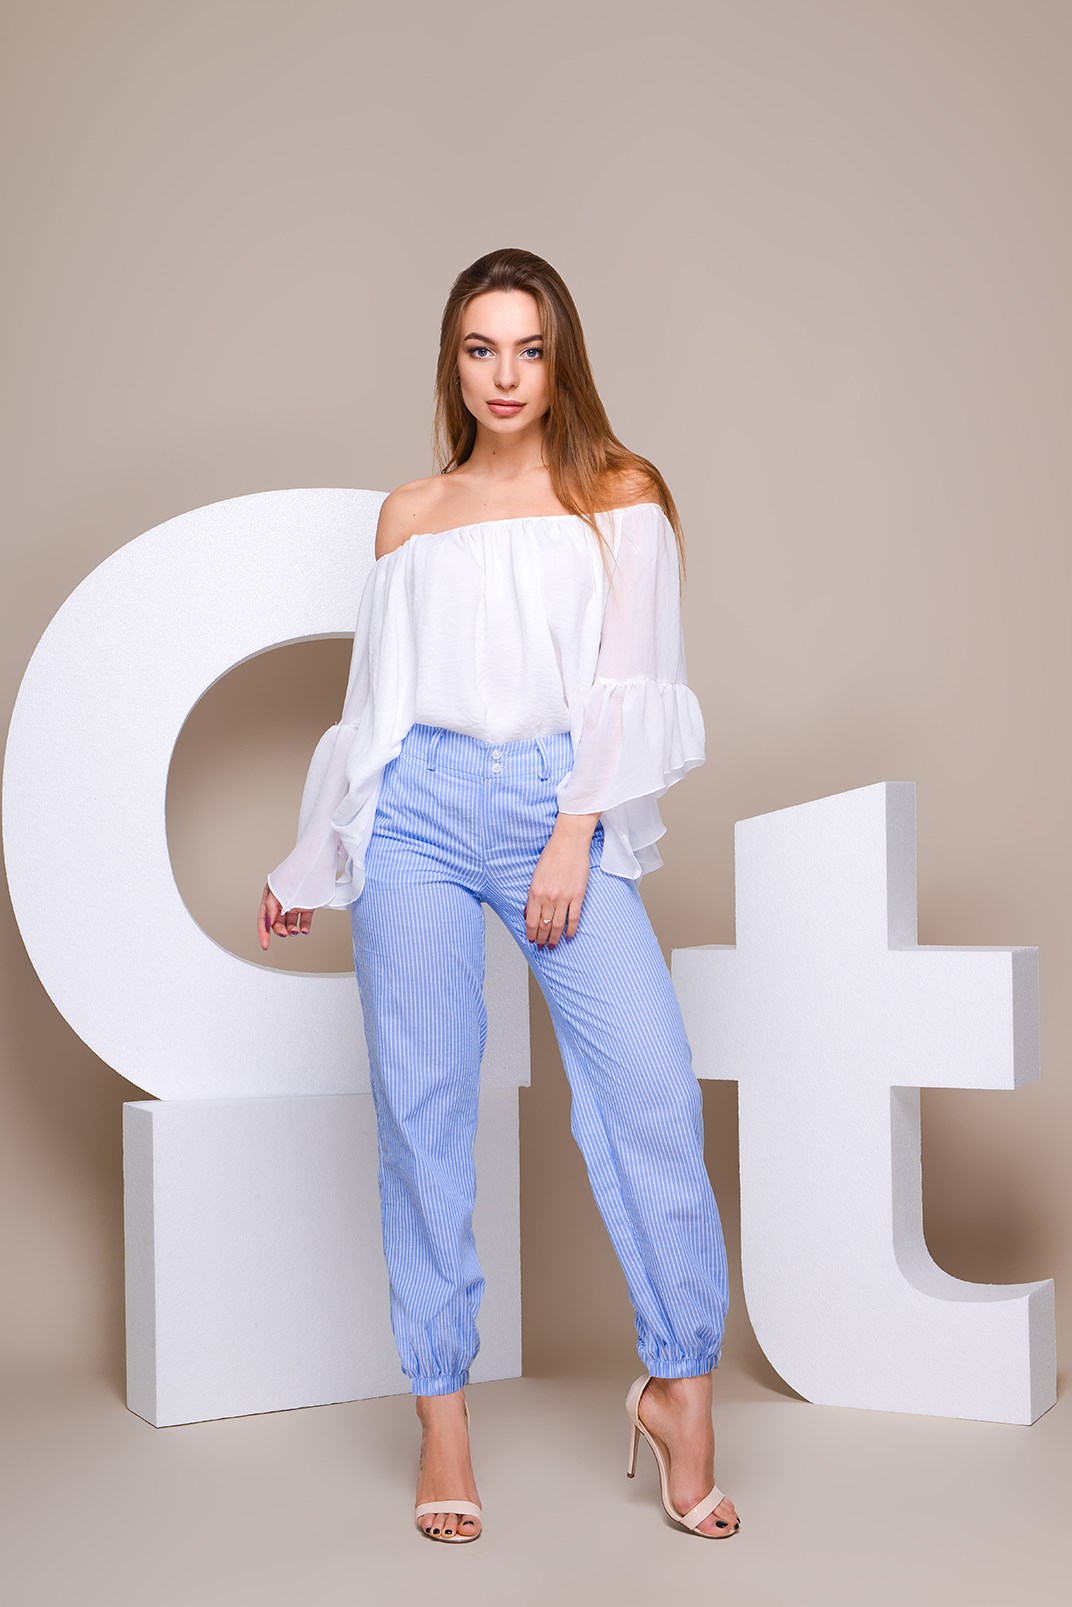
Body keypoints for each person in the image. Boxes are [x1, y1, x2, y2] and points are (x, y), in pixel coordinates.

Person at [257, 248, 739, 1544]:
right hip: (415, 808)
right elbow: (373, 711)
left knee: (650, 1091)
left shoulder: (620, 494)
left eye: (529, 348)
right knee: (422, 1110)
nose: (506, 375)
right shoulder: (409, 515)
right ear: (453, 363)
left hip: (551, 805)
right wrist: (312, 859)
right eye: (482, 349)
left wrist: (576, 831)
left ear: (561, 358)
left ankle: (680, 1393)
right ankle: (443, 1418)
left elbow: (632, 678)